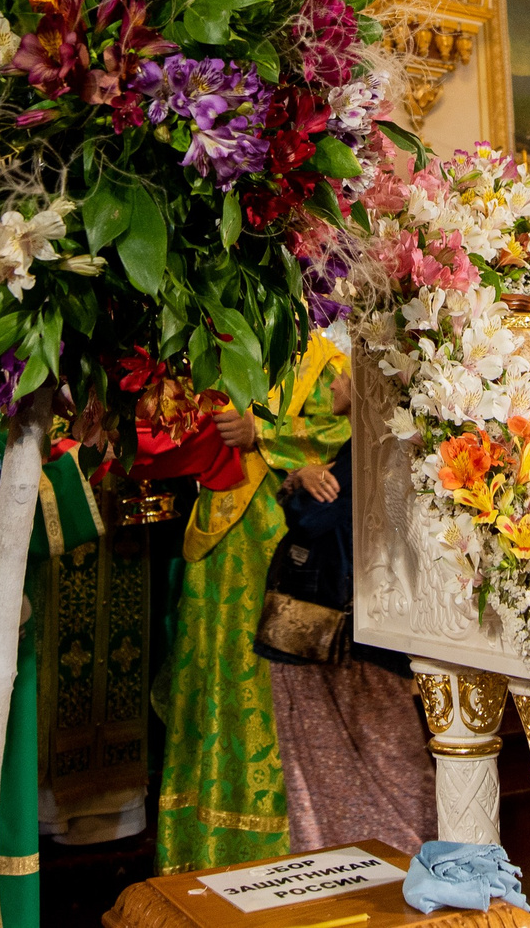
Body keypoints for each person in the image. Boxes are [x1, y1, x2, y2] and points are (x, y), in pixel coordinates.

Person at [153, 334, 350, 871]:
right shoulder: (208, 345)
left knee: (272, 689)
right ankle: (201, 847)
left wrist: (262, 434)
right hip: (218, 540)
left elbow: (345, 429)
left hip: (279, 539)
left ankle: (286, 851)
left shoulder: (317, 357)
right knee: (212, 676)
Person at [255, 363, 435, 856]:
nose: (333, 385)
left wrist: (295, 482)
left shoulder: (368, 451)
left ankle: (398, 862)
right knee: (358, 760)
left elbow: (313, 518)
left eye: (341, 377)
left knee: (369, 761)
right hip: (359, 633)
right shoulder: (375, 446)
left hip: (340, 638)